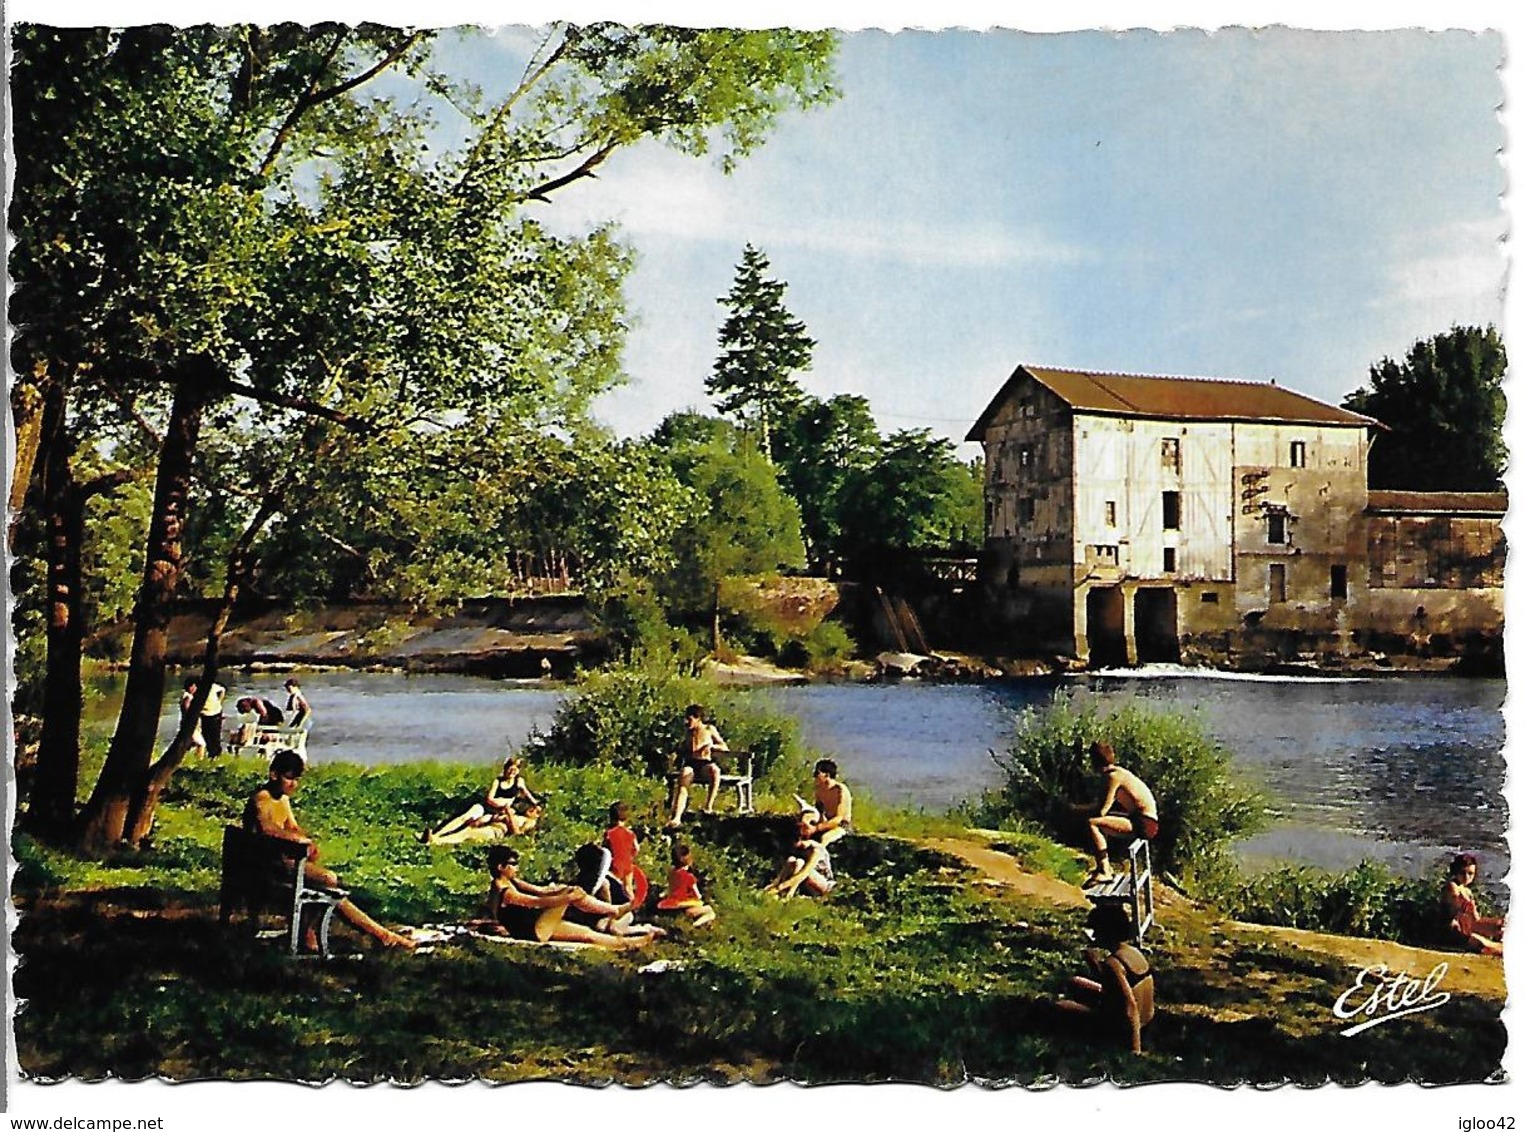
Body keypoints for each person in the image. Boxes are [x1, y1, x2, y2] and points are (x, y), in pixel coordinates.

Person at [243, 748, 415, 950]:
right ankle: (378, 935)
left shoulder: (282, 800)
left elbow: (291, 826)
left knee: (330, 890)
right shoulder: (262, 798)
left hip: (281, 865)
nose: (293, 785)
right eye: (289, 779)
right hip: (269, 868)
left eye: (297, 779)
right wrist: (299, 842)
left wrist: (306, 839)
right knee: (328, 881)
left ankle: (315, 934)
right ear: (274, 775)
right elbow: (267, 828)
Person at [484, 846, 655, 950]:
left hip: (538, 926)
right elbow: (536, 902)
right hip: (535, 930)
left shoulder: (509, 882)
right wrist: (567, 898)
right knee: (570, 892)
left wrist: (562, 893)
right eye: (513, 864)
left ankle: (627, 944)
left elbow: (540, 892)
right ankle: (615, 910)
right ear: (501, 867)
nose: (516, 867)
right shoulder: (505, 891)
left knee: (588, 935)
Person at [1054, 903, 1155, 1054]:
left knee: (1060, 1006)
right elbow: (1114, 986)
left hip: (1124, 1026)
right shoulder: (1131, 952)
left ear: (1106, 932)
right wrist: (1094, 964)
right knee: (1076, 982)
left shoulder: (1113, 963)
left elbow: (1130, 1006)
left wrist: (1135, 1050)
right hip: (1147, 1017)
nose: (1093, 936)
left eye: (1096, 931)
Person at [1079, 742, 1159, 885]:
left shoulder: (1113, 777)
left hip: (1144, 823)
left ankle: (1105, 871)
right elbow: (1102, 807)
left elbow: (1102, 810)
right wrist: (1077, 808)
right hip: (1145, 819)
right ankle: (1105, 867)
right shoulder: (1119, 772)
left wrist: (1077, 811)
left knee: (1093, 824)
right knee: (1101, 822)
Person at [423, 756, 543, 845]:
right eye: (510, 769)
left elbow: (527, 795)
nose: (512, 772)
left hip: (498, 813)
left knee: (470, 830)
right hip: (488, 807)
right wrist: (501, 806)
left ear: (518, 771)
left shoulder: (519, 782)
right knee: (465, 817)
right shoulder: (498, 781)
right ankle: (436, 835)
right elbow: (489, 799)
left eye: (515, 769)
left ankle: (437, 840)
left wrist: (536, 804)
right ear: (506, 769)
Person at [563, 844, 665, 940]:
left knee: (614, 929)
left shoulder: (603, 881)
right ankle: (644, 929)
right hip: (604, 913)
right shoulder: (584, 881)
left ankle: (646, 929)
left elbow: (618, 902)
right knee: (607, 928)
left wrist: (609, 917)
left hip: (621, 912)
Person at [667, 704, 727, 827]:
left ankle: (708, 806)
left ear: (698, 718)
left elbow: (724, 747)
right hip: (691, 764)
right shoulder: (687, 732)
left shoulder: (709, 729)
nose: (687, 722)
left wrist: (710, 747)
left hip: (705, 763)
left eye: (690, 719)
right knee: (684, 775)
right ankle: (677, 817)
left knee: (715, 770)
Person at [762, 809, 837, 900]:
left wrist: (779, 888)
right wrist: (775, 883)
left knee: (800, 863)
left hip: (822, 884)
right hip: (805, 883)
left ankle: (789, 894)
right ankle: (784, 893)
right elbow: (786, 868)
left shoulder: (816, 849)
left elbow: (803, 874)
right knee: (792, 860)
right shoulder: (795, 849)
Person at [1443, 853, 1503, 956]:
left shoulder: (1467, 891)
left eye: (1470, 874)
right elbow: (1457, 908)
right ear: (1456, 872)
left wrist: (1497, 924)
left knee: (1501, 926)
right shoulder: (1452, 886)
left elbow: (1476, 919)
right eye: (1463, 873)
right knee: (1483, 944)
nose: (1467, 877)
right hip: (1453, 933)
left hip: (1466, 928)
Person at [655, 843, 716, 928]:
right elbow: (698, 896)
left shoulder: (672, 873)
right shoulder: (689, 877)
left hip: (671, 905)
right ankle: (694, 926)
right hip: (684, 907)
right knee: (710, 911)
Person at [603, 801, 650, 907]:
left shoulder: (610, 833)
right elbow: (636, 848)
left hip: (615, 863)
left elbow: (605, 849)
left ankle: (610, 908)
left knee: (611, 886)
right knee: (628, 889)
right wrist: (630, 856)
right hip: (627, 863)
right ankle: (633, 907)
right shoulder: (630, 833)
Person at [805, 759, 853, 848]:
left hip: (841, 826)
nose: (814, 777)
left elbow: (839, 818)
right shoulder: (819, 791)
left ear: (827, 775)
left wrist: (816, 828)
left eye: (817, 774)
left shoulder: (840, 790)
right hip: (827, 823)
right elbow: (819, 812)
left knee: (825, 838)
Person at [200, 677, 228, 758]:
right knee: (208, 735)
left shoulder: (212, 686)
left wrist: (219, 701)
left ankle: (215, 754)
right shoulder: (202, 688)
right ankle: (212, 753)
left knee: (214, 735)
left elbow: (223, 689)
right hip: (206, 713)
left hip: (214, 712)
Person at [179, 679, 207, 755]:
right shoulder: (188, 697)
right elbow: (187, 710)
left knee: (189, 744)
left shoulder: (187, 696)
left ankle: (186, 759)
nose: (195, 688)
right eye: (194, 686)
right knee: (201, 744)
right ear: (190, 687)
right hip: (190, 724)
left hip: (190, 723)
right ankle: (199, 762)